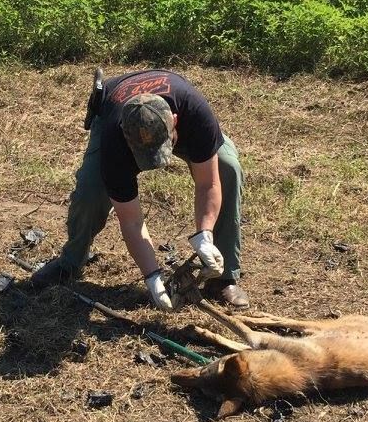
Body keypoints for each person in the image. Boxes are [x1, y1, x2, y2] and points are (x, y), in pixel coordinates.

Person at [27, 68, 249, 311]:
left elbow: (209, 183)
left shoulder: (195, 113)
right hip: (115, 113)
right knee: (90, 191)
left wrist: (204, 236)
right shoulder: (115, 137)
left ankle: (223, 278)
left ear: (174, 120)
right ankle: (70, 262)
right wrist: (152, 277)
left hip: (181, 116)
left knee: (228, 167)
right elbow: (131, 220)